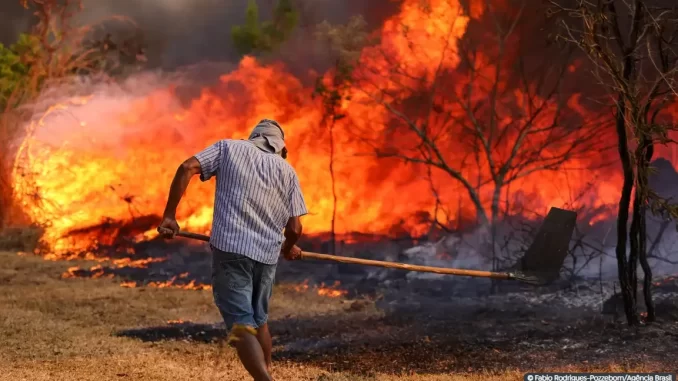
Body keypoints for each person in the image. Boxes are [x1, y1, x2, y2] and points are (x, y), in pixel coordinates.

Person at [157, 119, 307, 381]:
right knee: (258, 320)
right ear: (280, 146)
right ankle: (265, 374)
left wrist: (170, 215)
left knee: (241, 323)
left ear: (254, 137)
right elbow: (295, 227)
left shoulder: (228, 149)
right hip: (267, 257)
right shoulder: (288, 171)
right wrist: (289, 246)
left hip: (231, 251)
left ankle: (264, 379)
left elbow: (187, 166)